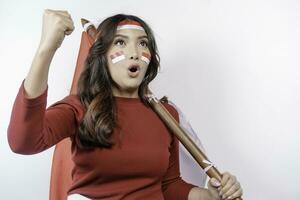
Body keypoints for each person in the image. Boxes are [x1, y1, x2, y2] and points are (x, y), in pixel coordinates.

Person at [7, 9, 243, 200]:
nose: (134, 53)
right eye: (120, 42)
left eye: (143, 44)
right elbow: (23, 142)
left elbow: (169, 186)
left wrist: (209, 195)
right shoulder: (79, 107)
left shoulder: (166, 114)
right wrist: (46, 49)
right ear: (102, 55)